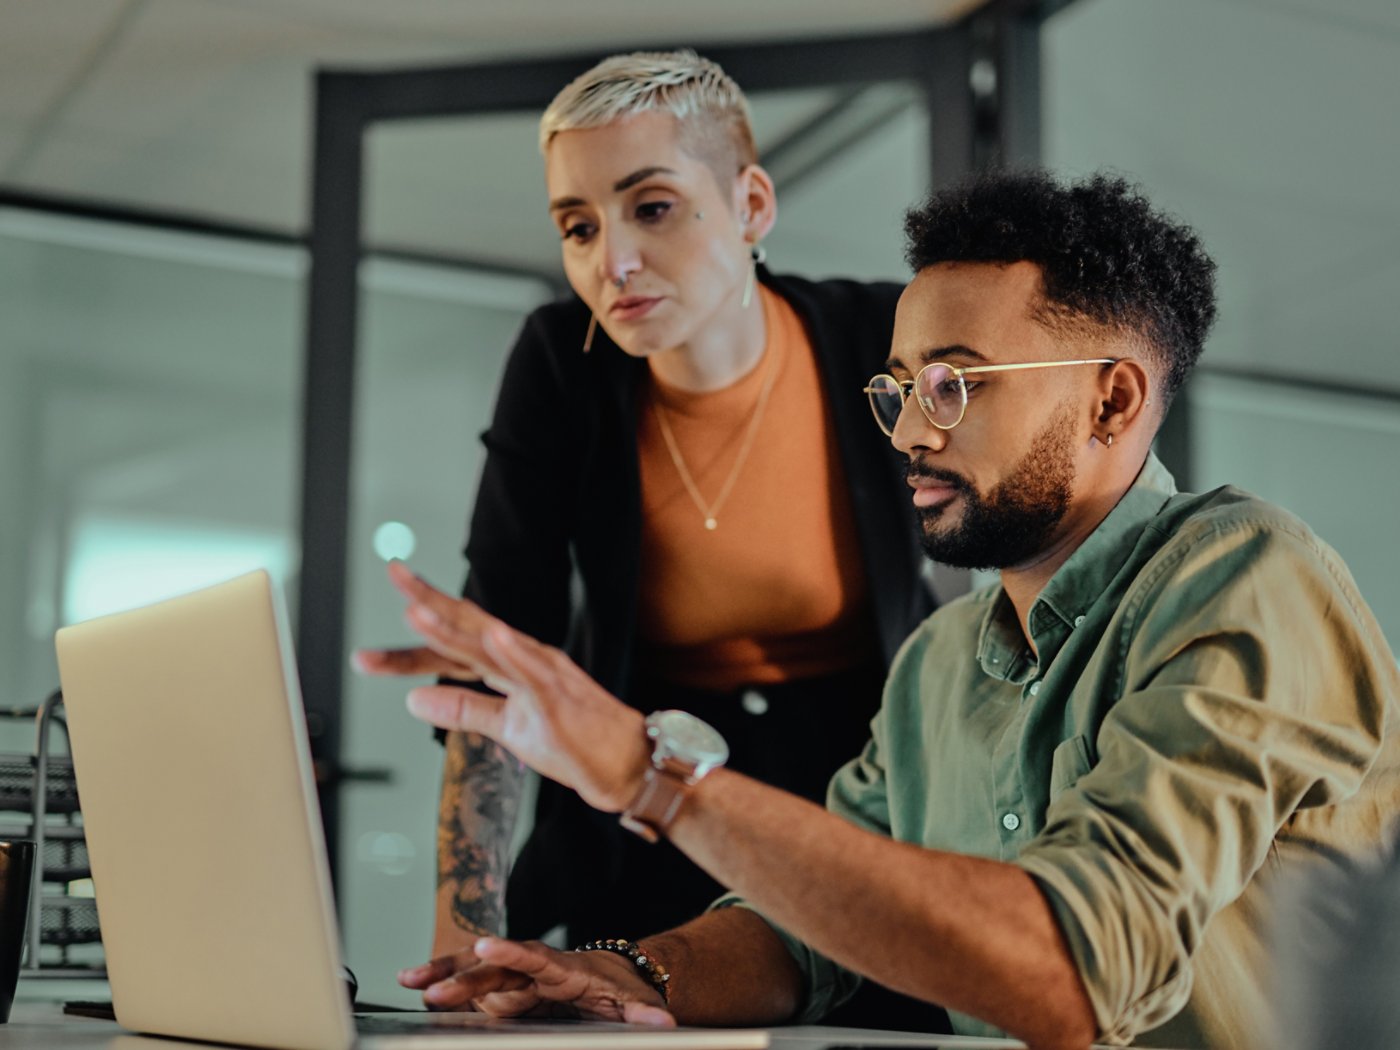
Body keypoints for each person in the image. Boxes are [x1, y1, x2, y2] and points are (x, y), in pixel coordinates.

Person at [358, 170, 1400, 1049]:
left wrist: (654, 776)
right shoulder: (937, 661)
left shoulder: (1242, 575)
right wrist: (632, 975)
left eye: (953, 386)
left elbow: (1080, 969)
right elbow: (797, 929)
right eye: (896, 389)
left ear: (1111, 401)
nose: (906, 431)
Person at [358, 49, 938, 1028]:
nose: (609, 260)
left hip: (855, 805)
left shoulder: (880, 339)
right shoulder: (560, 365)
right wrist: (458, 947)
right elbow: (501, 660)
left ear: (751, 205)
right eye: (576, 226)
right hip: (639, 807)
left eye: (651, 208)